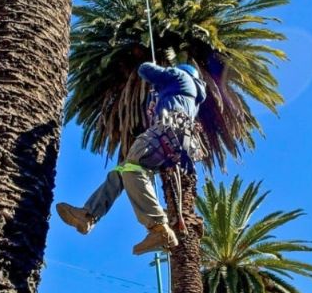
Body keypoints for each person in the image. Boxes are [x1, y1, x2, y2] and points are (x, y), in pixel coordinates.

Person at [56, 61, 206, 254]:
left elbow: (145, 69)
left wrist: (156, 71)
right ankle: (87, 215)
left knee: (132, 167)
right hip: (175, 141)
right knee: (121, 171)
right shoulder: (191, 97)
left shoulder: (180, 76)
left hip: (166, 132)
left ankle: (159, 227)